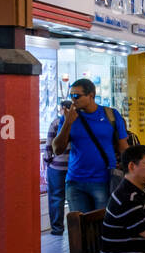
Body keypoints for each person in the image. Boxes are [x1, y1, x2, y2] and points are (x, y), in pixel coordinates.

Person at [52, 78, 130, 213]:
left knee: (101, 225)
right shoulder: (68, 118)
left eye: (77, 96)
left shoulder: (110, 115)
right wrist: (68, 123)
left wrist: (131, 171)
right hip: (75, 181)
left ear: (91, 95)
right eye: (71, 96)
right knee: (80, 228)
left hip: (104, 179)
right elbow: (57, 149)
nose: (73, 99)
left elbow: (123, 147)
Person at [44, 99, 72, 235]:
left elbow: (49, 145)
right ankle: (76, 227)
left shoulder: (56, 123)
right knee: (73, 197)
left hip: (57, 167)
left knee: (56, 197)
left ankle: (57, 228)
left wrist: (48, 161)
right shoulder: (78, 123)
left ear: (62, 109)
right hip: (74, 167)